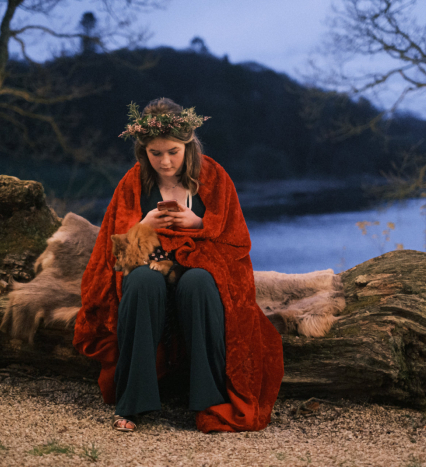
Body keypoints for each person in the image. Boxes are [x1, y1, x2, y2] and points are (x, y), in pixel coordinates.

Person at [73, 98, 284, 433]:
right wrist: (144, 224)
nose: (165, 161)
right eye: (156, 153)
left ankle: (208, 400)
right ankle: (133, 404)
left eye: (173, 151)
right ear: (144, 152)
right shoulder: (133, 182)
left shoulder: (214, 177)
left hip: (198, 271)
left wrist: (199, 223)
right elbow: (116, 252)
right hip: (147, 268)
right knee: (143, 282)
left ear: (188, 146)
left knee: (198, 282)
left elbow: (237, 241)